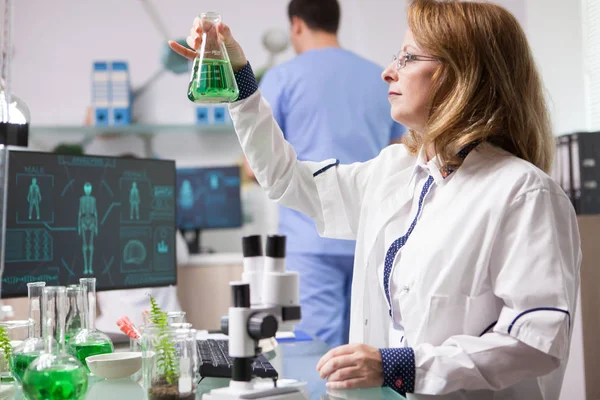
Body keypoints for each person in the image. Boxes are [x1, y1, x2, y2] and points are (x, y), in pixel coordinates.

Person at [169, 0, 581, 398]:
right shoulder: (396, 171)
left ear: (462, 76)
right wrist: (239, 77)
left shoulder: (523, 193)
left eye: (407, 58)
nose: (387, 72)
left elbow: (535, 341)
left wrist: (399, 366)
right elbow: (285, 178)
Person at [245, 0, 406, 348]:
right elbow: (401, 155)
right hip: (371, 237)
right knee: (370, 351)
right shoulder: (382, 76)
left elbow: (260, 164)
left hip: (310, 240)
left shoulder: (283, 77)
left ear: (297, 25)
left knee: (316, 352)